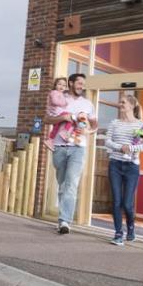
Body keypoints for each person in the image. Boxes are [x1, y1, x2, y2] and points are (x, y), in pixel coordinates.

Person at [43, 73, 96, 234]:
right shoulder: (58, 98)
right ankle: (62, 217)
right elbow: (46, 119)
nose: (82, 86)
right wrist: (62, 118)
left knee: (71, 184)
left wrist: (88, 130)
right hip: (59, 146)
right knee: (62, 184)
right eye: (79, 83)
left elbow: (94, 125)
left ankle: (65, 221)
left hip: (78, 147)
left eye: (83, 84)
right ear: (71, 83)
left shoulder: (87, 104)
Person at [104, 94, 143, 246]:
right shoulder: (114, 123)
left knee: (127, 204)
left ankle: (131, 226)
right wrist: (120, 147)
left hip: (132, 167)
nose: (120, 104)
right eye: (120, 102)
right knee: (117, 200)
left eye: (123, 102)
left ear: (132, 105)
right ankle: (118, 233)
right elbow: (107, 141)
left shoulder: (141, 125)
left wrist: (130, 148)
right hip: (115, 165)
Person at [43, 77, 71, 151]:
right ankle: (64, 132)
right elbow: (55, 101)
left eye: (64, 85)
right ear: (55, 85)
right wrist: (64, 103)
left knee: (56, 127)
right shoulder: (54, 92)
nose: (61, 86)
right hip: (55, 113)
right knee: (70, 118)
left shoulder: (61, 94)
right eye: (59, 84)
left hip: (56, 113)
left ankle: (50, 140)